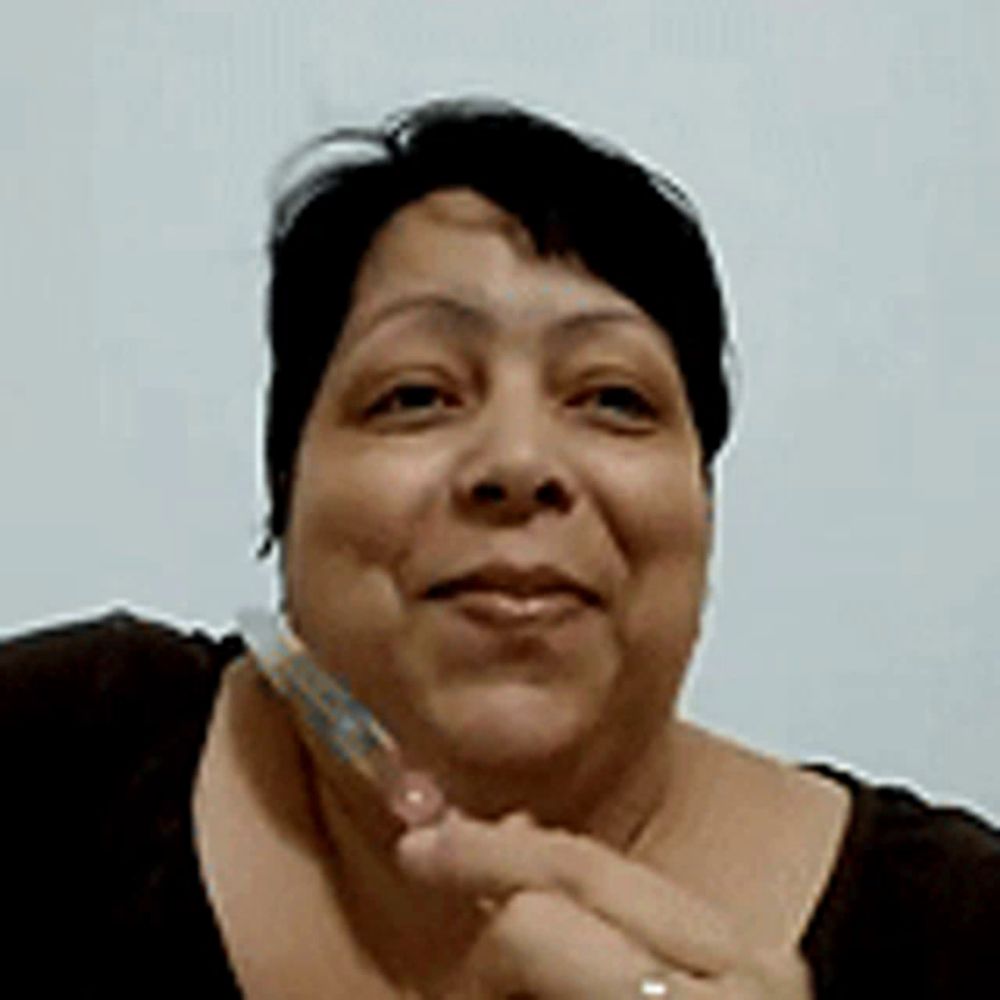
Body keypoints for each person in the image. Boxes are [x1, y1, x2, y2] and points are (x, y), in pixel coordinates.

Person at [2, 98, 997, 999]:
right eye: (415, 395)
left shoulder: (956, 927)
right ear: (287, 481)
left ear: (700, 504)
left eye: (614, 398)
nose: (519, 463)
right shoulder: (56, 744)